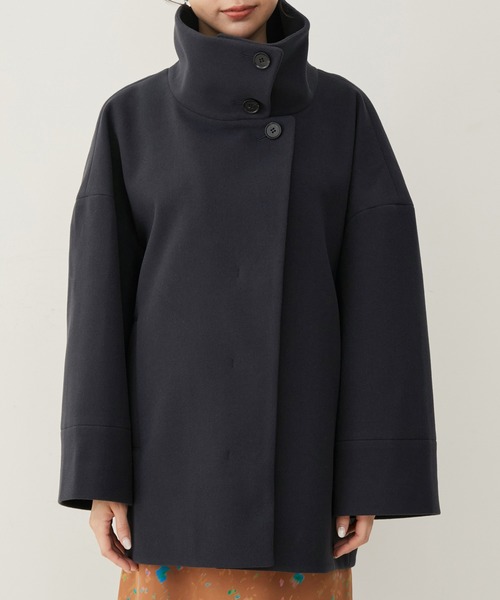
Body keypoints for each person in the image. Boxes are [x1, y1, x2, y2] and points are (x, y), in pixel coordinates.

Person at [57, 0, 441, 598]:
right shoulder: (131, 118)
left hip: (302, 467)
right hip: (170, 472)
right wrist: (99, 475)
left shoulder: (344, 112)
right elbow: (96, 314)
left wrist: (368, 474)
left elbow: (382, 308)